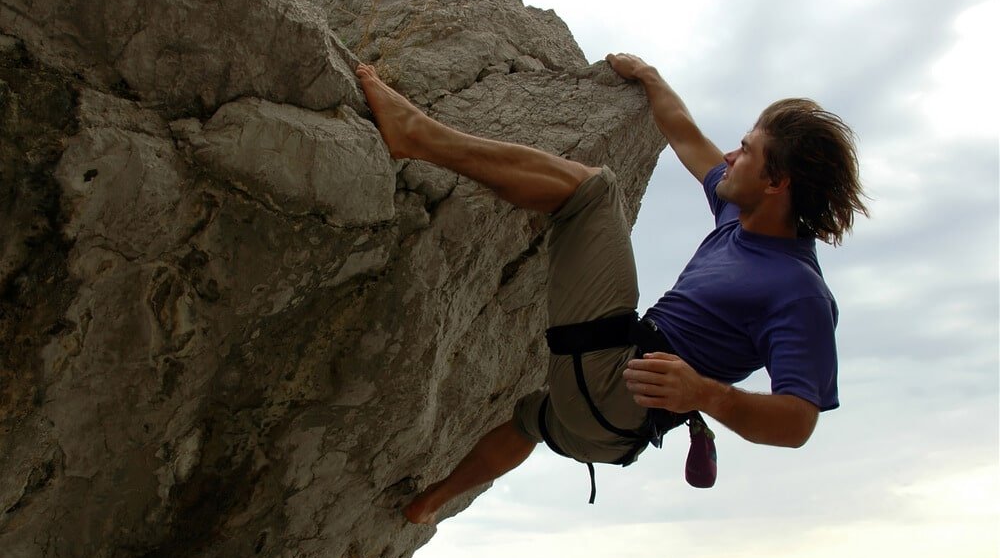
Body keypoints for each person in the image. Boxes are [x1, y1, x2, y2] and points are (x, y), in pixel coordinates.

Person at [353, 52, 868, 525]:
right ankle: (428, 505)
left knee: (594, 193)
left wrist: (705, 393)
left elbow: (798, 422)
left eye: (748, 151)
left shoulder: (799, 292)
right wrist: (650, 78)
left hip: (620, 393)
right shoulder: (739, 213)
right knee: (528, 420)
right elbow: (686, 136)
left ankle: (415, 136)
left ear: (777, 184)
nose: (731, 156)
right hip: (609, 431)